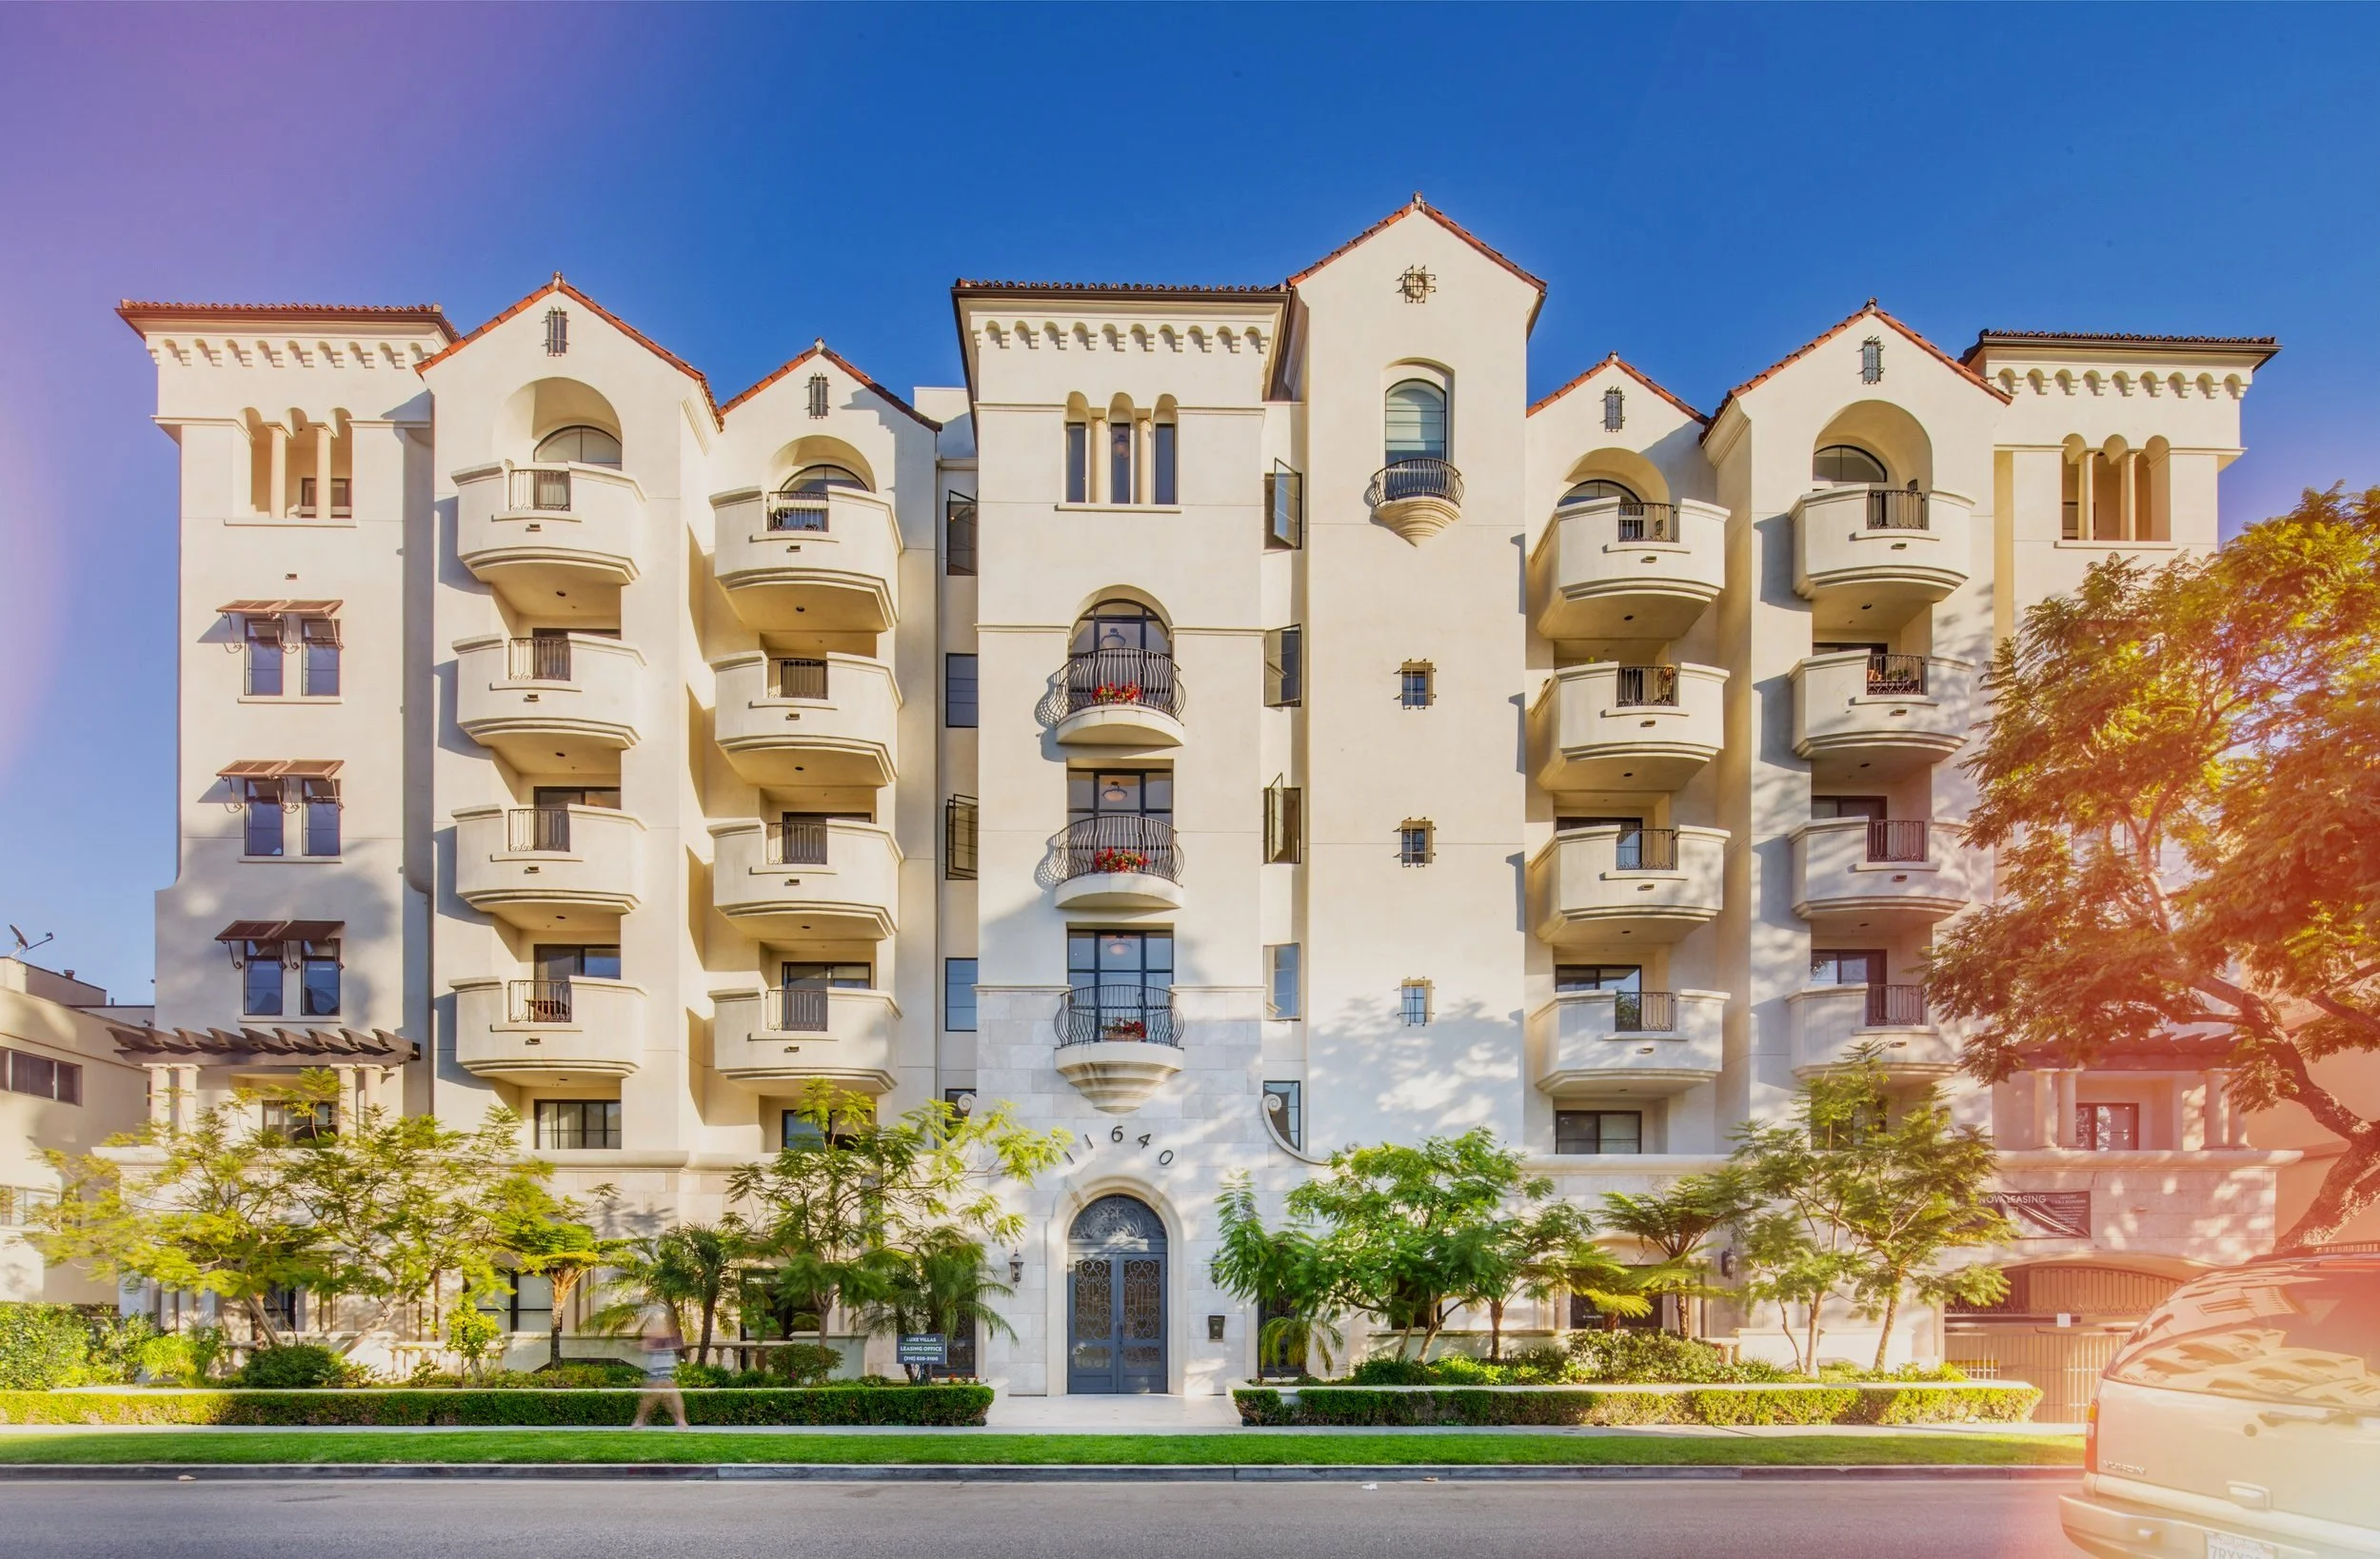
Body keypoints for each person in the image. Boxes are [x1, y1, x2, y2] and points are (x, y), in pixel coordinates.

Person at [628, 1302, 689, 1430]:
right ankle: (679, 1421)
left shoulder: (661, 1324)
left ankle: (640, 1421)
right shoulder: (664, 1324)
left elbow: (652, 1342)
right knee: (663, 1395)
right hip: (661, 1361)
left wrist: (639, 1346)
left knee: (660, 1394)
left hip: (661, 1361)